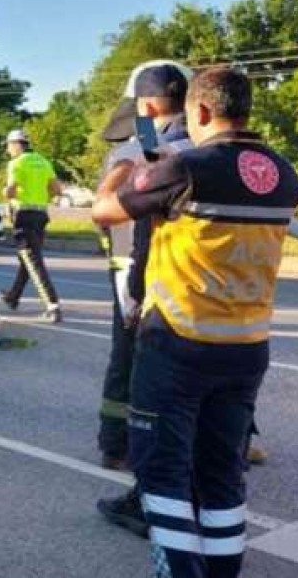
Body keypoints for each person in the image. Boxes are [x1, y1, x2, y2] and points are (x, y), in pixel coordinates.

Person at [93, 67, 298, 578]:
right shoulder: (284, 173)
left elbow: (104, 211)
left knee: (163, 476)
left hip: (178, 341)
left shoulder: (183, 168)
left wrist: (126, 167)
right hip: (247, 347)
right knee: (222, 479)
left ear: (203, 110)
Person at [95, 61, 195, 536]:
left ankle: (119, 446)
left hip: (139, 269)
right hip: (185, 280)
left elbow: (104, 212)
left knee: (132, 363)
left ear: (147, 105)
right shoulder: (201, 147)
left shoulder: (140, 151)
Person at [0, 129, 64, 322]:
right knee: (27, 258)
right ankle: (13, 297)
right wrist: (41, 198)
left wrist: (6, 193)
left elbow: (10, 190)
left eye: (8, 146)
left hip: (23, 214)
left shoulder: (16, 163)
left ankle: (52, 304)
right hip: (40, 214)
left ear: (16, 145)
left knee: (32, 259)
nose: (8, 150)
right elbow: (57, 189)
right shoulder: (43, 161)